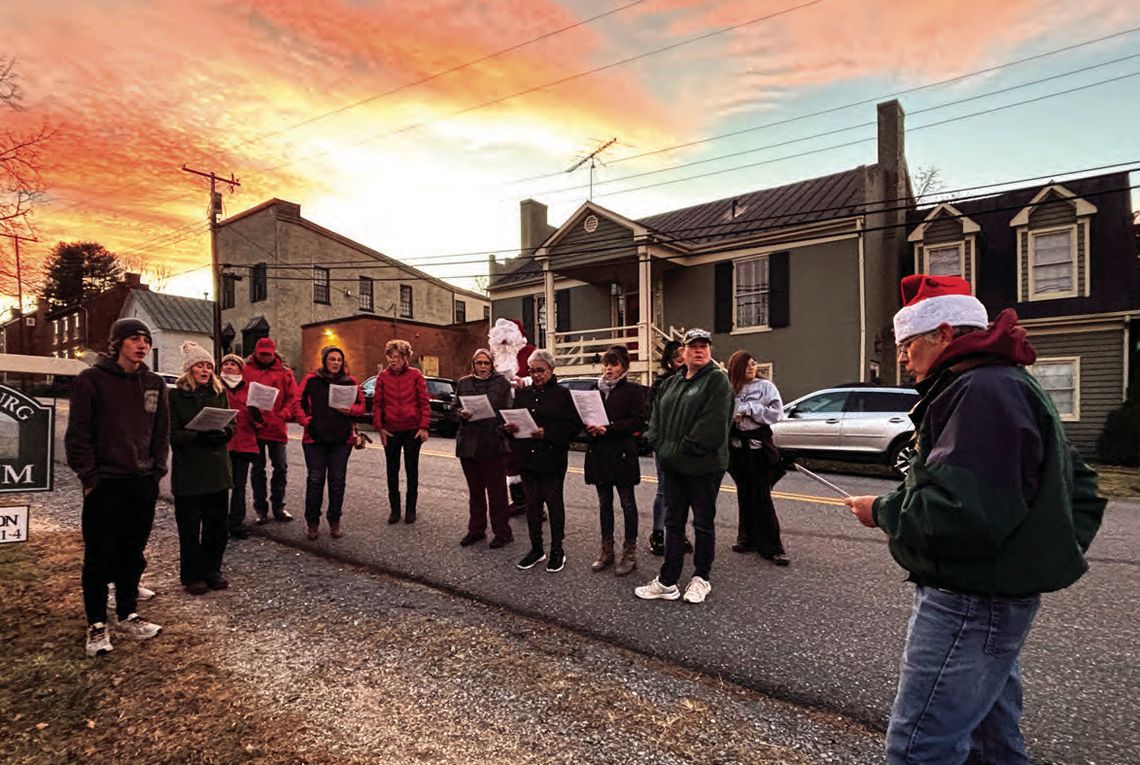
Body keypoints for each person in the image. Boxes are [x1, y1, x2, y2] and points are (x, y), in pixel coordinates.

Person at [842, 274, 1105, 764]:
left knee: (920, 746)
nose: (901, 356)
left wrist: (881, 510)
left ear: (942, 333)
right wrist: (1029, 554)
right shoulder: (1001, 383)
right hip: (994, 594)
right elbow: (1081, 488)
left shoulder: (981, 392)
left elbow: (959, 514)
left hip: (967, 600)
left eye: (907, 343)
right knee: (992, 741)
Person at [66, 318, 168, 657]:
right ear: (117, 343)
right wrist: (90, 478)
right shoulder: (91, 380)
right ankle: (96, 625)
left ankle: (127, 614)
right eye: (134, 339)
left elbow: (160, 432)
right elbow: (78, 434)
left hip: (142, 482)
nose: (142, 346)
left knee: (132, 551)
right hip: (106, 483)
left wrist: (156, 471)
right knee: (98, 555)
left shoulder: (153, 383)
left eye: (146, 341)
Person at [635, 328, 733, 604]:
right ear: (684, 353)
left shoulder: (717, 382)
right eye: (693, 347)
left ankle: (701, 578)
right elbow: (655, 418)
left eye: (704, 346)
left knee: (703, 523)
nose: (699, 350)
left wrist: (674, 450)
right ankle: (668, 580)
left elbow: (711, 428)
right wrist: (656, 442)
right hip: (673, 467)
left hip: (704, 468)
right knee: (673, 523)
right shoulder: (672, 384)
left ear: (709, 351)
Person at [504, 349, 580, 573]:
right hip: (527, 458)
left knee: (554, 505)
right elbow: (514, 419)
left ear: (551, 370)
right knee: (533, 505)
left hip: (552, 459)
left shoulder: (562, 395)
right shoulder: (523, 394)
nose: (536, 375)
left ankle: (557, 549)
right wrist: (508, 428)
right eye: (532, 371)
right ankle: (537, 548)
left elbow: (574, 427)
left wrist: (547, 432)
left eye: (540, 370)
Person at [168, 342, 235, 596]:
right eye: (200, 365)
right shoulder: (174, 396)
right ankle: (192, 574)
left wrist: (224, 433)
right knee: (189, 526)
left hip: (217, 470)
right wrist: (196, 435)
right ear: (189, 370)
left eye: (209, 365)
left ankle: (212, 569)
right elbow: (172, 433)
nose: (205, 370)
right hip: (190, 472)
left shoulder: (219, 393)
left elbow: (232, 423)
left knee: (217, 525)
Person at [585, 345, 648, 576]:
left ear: (624, 367)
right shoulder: (594, 389)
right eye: (606, 364)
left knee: (627, 504)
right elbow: (585, 415)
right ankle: (606, 550)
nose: (608, 368)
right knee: (604, 504)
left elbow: (638, 421)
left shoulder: (633, 390)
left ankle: (629, 553)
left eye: (613, 364)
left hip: (622, 454)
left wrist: (609, 428)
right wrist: (589, 427)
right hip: (599, 454)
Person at [725, 350, 789, 566]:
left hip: (758, 449)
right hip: (736, 450)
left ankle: (773, 546)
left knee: (761, 495)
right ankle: (746, 538)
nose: (752, 368)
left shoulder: (766, 387)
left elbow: (777, 413)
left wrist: (750, 409)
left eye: (754, 364)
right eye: (747, 365)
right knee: (744, 493)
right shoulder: (729, 388)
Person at [297, 346, 366, 540]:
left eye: (339, 359)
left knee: (337, 482)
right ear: (325, 361)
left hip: (341, 440)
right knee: (315, 480)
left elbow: (362, 406)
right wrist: (306, 421)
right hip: (314, 439)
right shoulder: (311, 380)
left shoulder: (351, 382)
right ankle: (312, 522)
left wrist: (351, 410)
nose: (336, 362)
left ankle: (334, 520)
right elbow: (297, 402)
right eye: (332, 359)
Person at [454, 348, 513, 548]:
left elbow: (508, 411)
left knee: (497, 493)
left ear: (492, 364)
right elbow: (454, 408)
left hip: (492, 442)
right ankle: (476, 530)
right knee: (475, 491)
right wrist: (461, 413)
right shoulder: (464, 383)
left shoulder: (501, 383)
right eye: (479, 363)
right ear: (473, 364)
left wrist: (500, 428)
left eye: (486, 363)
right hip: (469, 444)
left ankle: (503, 532)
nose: (482, 367)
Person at [242, 337, 299, 524]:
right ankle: (261, 509)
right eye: (262, 354)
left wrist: (284, 412)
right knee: (258, 469)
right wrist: (251, 415)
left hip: (276, 426)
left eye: (269, 354)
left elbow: (292, 397)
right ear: (256, 353)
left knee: (280, 468)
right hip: (255, 428)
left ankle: (278, 506)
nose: (266, 357)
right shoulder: (246, 370)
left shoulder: (284, 373)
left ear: (274, 353)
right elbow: (240, 395)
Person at [373, 339, 429, 524]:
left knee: (411, 471)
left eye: (397, 356)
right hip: (391, 431)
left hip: (412, 430)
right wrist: (380, 427)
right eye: (390, 356)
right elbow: (377, 404)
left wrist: (423, 427)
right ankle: (395, 511)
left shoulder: (416, 375)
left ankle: (411, 510)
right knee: (392, 471)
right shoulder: (382, 377)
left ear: (405, 358)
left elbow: (423, 402)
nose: (393, 360)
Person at [647, 339, 684, 556]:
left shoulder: (695, 380)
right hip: (665, 444)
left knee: (683, 492)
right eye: (678, 358)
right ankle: (658, 533)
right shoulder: (661, 383)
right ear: (670, 362)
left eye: (684, 357)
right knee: (664, 490)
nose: (682, 361)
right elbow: (653, 414)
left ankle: (678, 533)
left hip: (686, 447)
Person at [219, 354, 258, 540]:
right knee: (219, 485)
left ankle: (236, 522)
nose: (228, 366)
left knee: (239, 485)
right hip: (221, 443)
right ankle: (218, 521)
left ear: (240, 369)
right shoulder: (215, 387)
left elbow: (259, 422)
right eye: (225, 363)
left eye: (233, 364)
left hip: (243, 443)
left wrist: (257, 415)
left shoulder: (250, 389)